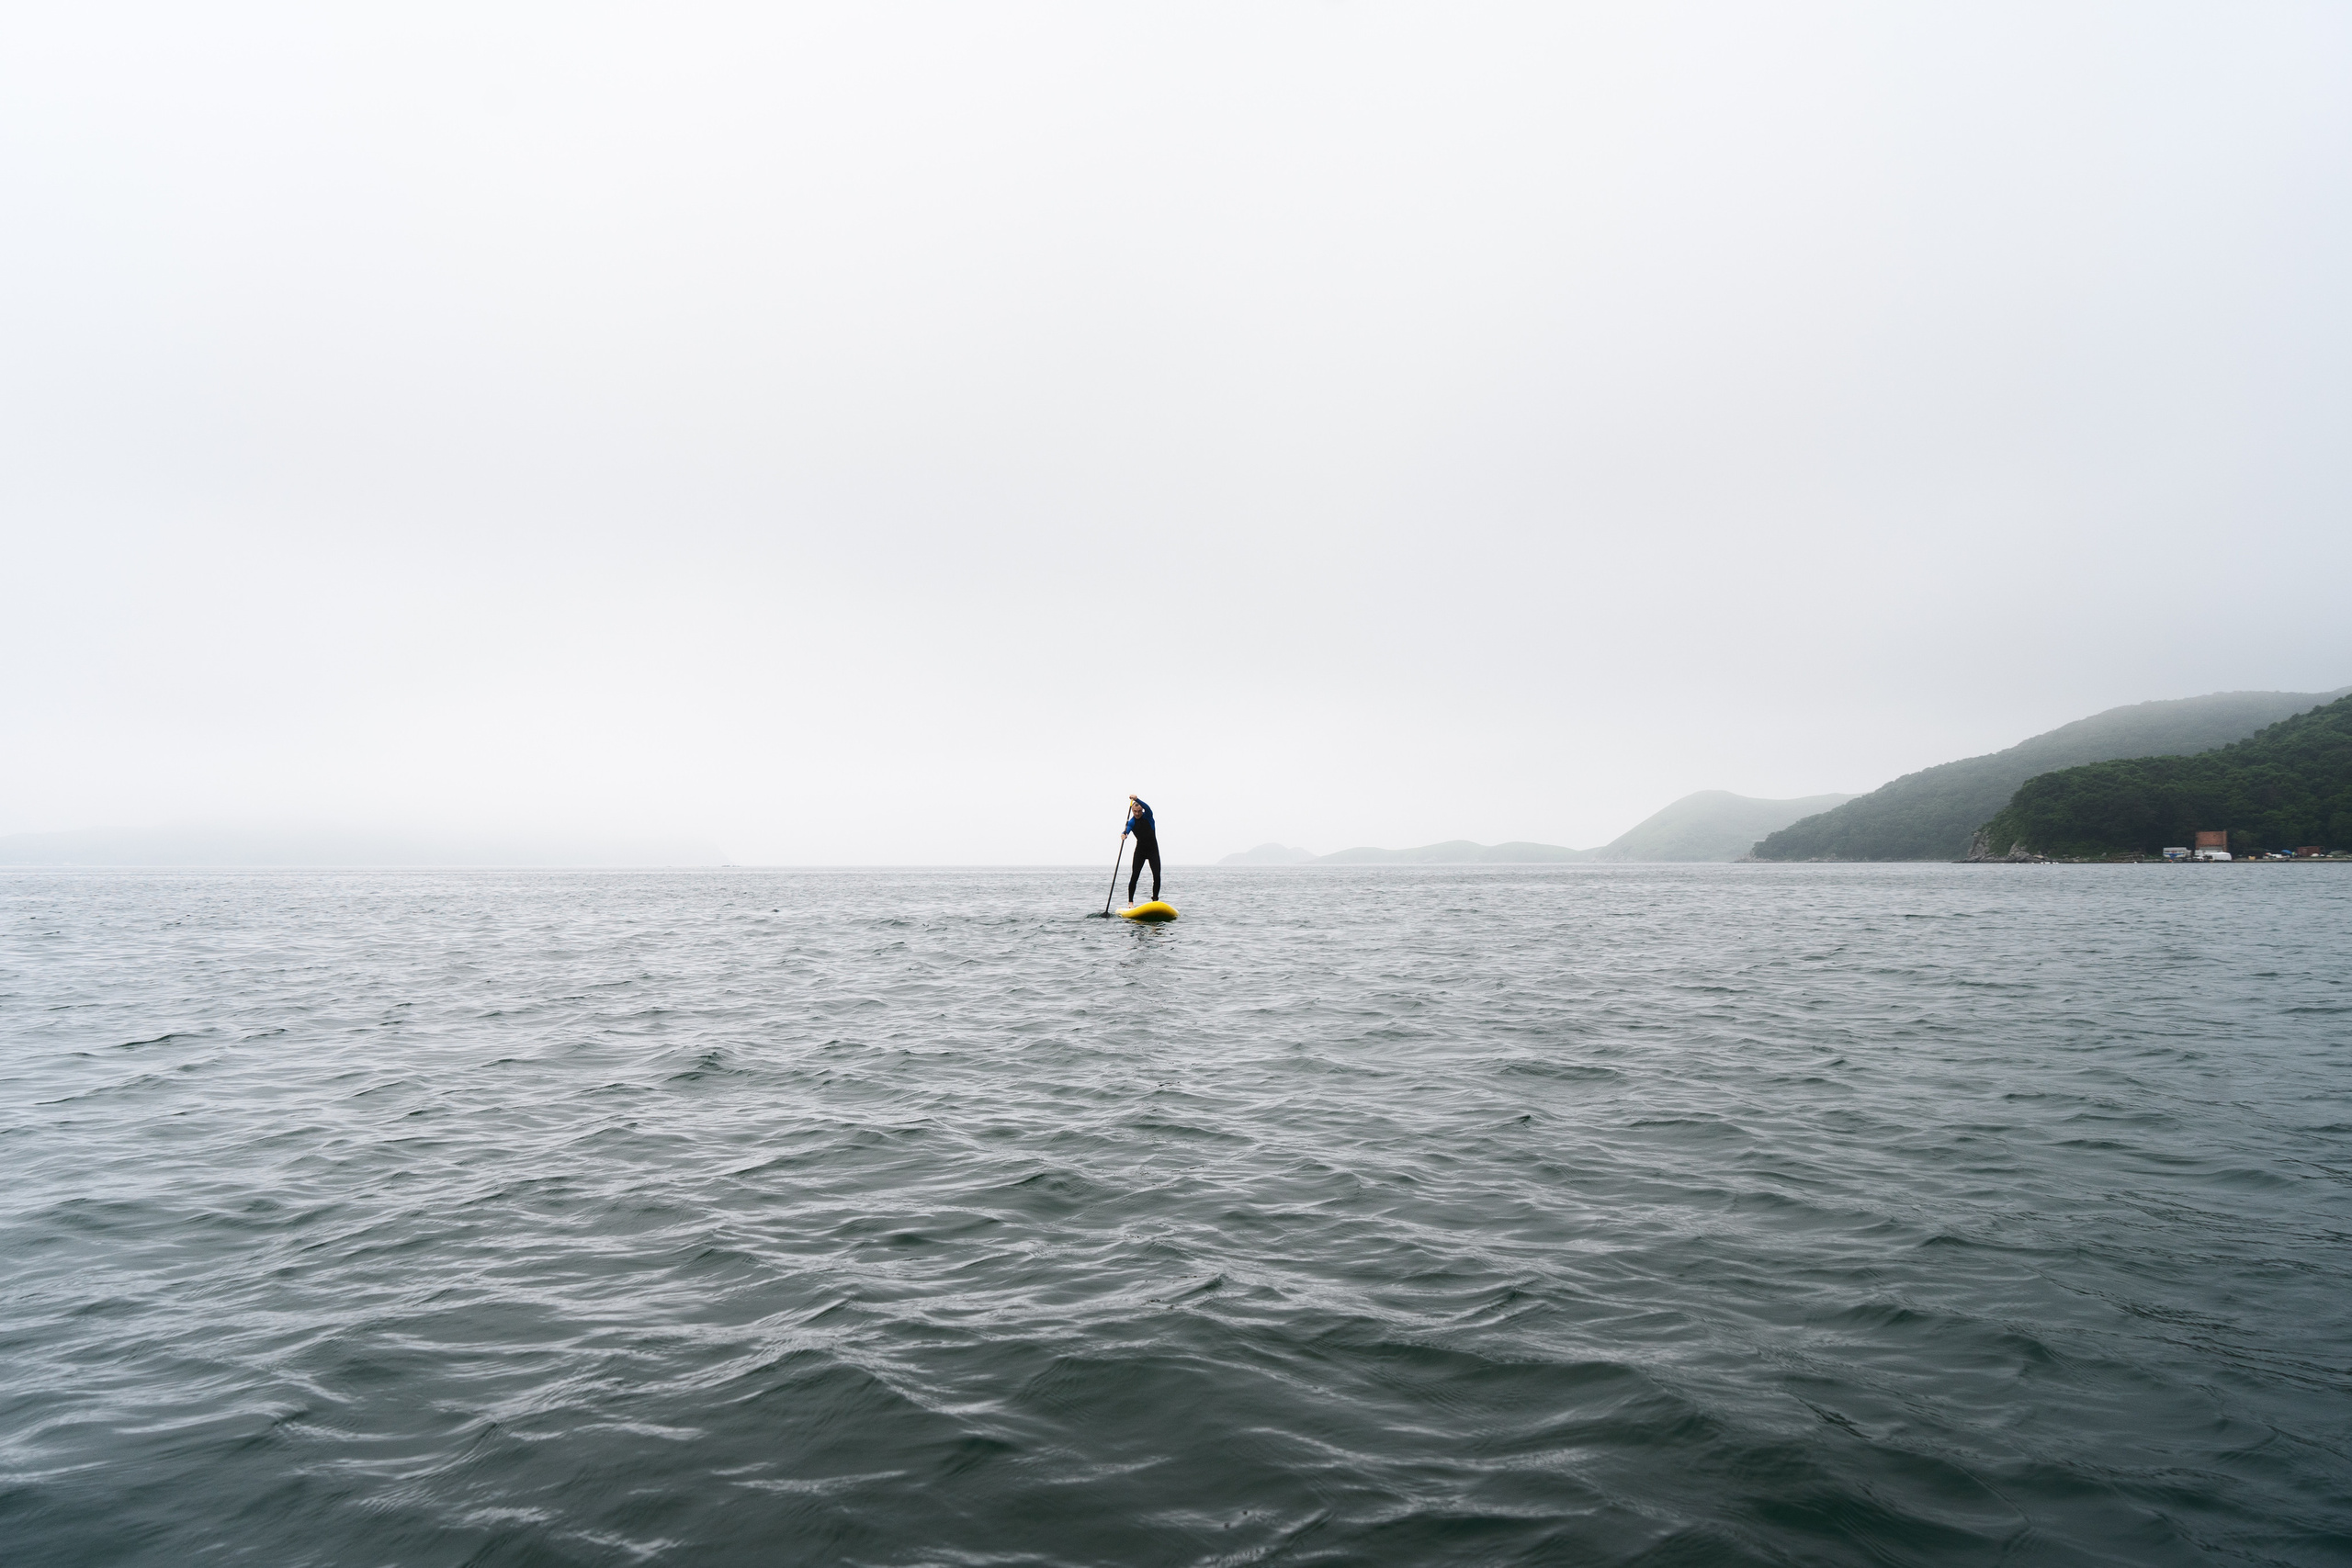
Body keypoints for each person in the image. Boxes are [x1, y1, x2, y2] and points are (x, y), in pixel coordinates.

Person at [1123, 795, 1162, 904]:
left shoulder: (1148, 816)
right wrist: (1124, 834)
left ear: (1142, 810)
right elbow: (1127, 830)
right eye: (1135, 811)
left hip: (1153, 851)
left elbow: (1148, 808)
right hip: (1140, 851)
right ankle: (1130, 902)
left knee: (1157, 875)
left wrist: (1136, 799)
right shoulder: (1132, 822)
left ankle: (1155, 899)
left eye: (1139, 811)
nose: (1137, 814)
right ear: (1132, 811)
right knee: (1135, 876)